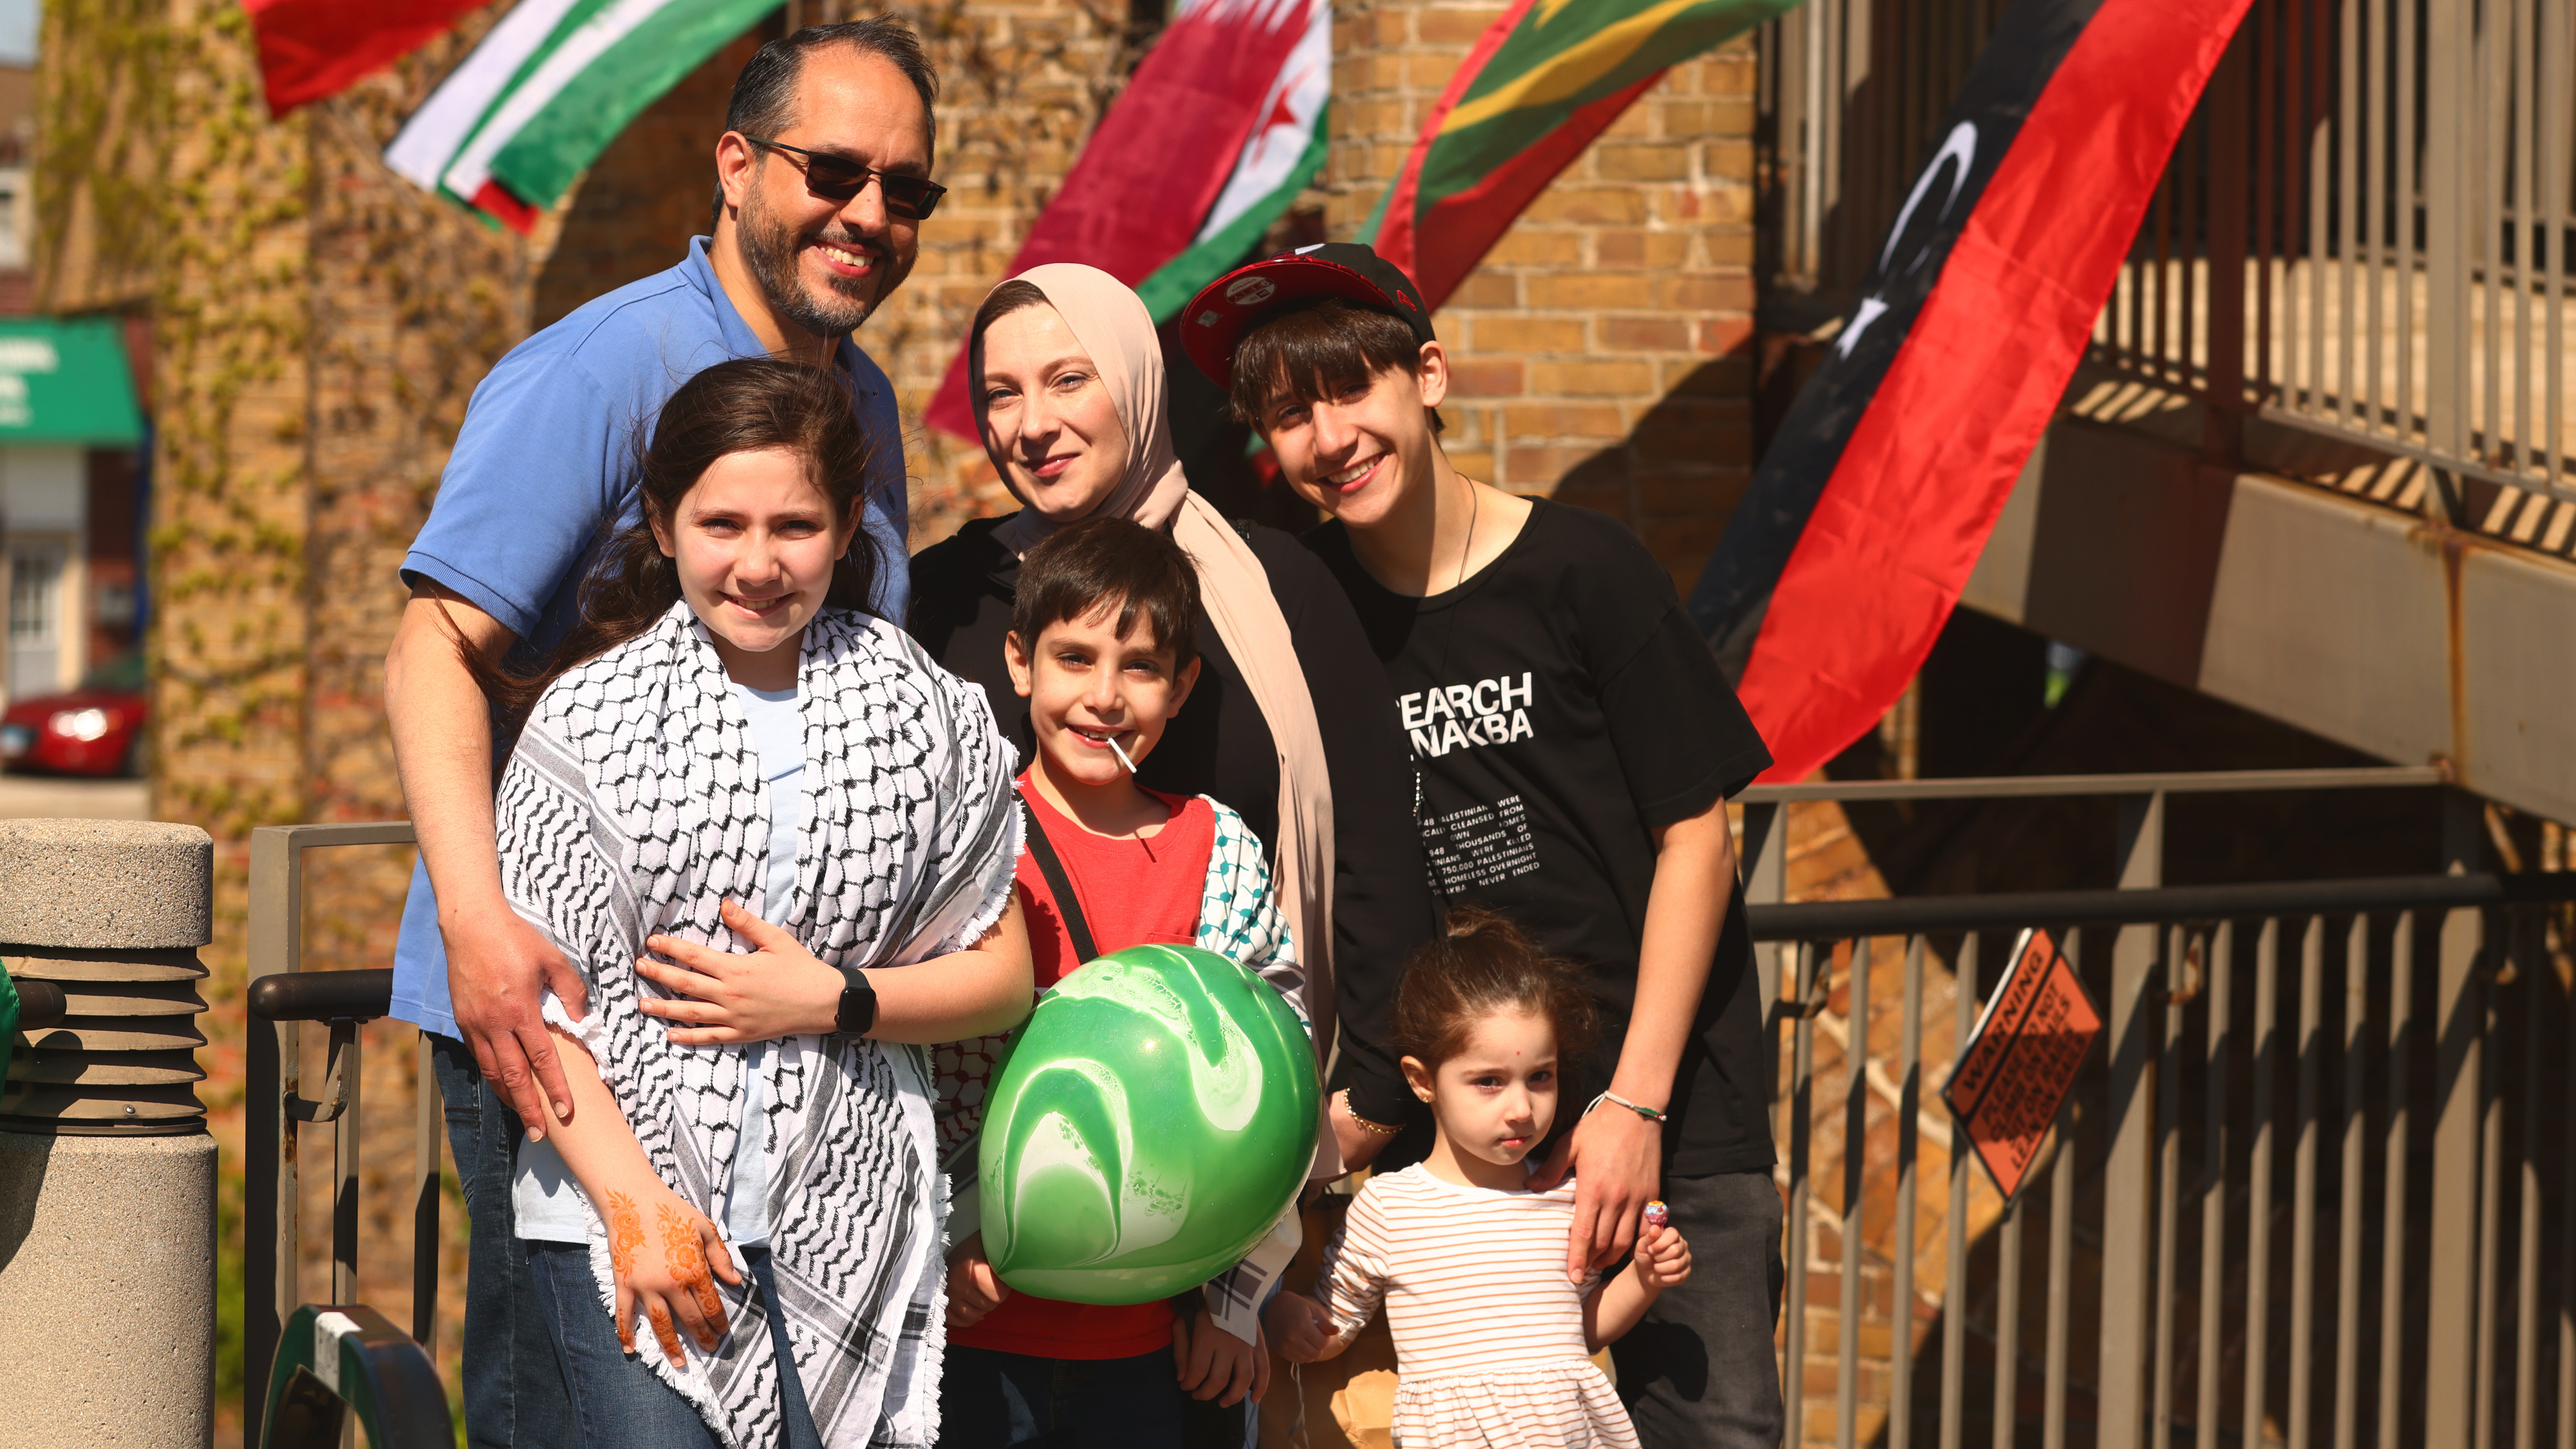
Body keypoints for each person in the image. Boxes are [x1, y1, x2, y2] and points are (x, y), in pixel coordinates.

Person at [381, 20, 942, 1444]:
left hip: (767, 1036)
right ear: (738, 166)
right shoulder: (607, 366)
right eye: (834, 171)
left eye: (907, 189)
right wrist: (479, 922)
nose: (869, 214)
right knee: (576, 1409)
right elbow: (436, 645)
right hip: (562, 1012)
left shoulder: (855, 394)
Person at [1181, 242, 1783, 1449]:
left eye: (1350, 388)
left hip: (1660, 1120)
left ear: (1428, 376)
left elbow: (1696, 832)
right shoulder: (1313, 616)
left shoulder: (1583, 570)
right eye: (1288, 413)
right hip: (1456, 1156)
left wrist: (1631, 1101)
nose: (1327, 435)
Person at [475, 357, 1032, 1448]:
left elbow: (1000, 971)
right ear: (662, 521)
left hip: (851, 1213)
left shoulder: (921, 707)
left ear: (846, 527)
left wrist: (831, 997)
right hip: (619, 1209)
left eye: (796, 525)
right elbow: (541, 1013)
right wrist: (637, 1210)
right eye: (722, 522)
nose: (760, 563)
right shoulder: (587, 724)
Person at [905, 264, 1435, 1192]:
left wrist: (1375, 1098)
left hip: (1269, 1137)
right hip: (1006, 1158)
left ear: (1138, 382)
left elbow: (1374, 846)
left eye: (1069, 379)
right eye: (1002, 392)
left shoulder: (1274, 583)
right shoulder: (948, 599)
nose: (1032, 423)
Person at [934, 515, 1308, 1445]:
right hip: (972, 1330)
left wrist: (1232, 1303)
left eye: (1139, 666)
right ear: (1019, 661)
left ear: (1182, 684)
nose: (1103, 696)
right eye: (1073, 656)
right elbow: (903, 1077)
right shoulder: (964, 838)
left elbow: (1271, 1066)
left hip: (1153, 1345)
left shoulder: (1217, 846)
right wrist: (940, 1239)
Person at [1264, 908, 1695, 1449]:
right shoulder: (1390, 1206)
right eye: (1489, 1081)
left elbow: (1580, 1330)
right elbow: (1332, 1328)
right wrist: (1278, 1313)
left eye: (1540, 1076)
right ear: (1422, 1080)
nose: (1521, 1107)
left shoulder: (1564, 1194)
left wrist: (1644, 1278)